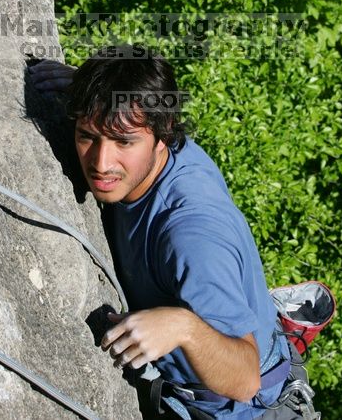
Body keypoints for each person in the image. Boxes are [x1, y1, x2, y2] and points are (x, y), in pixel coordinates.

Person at [29, 45, 317, 420]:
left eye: (124, 142)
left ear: (163, 133)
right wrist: (95, 98)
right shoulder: (149, 134)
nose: (101, 163)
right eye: (88, 135)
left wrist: (185, 328)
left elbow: (245, 381)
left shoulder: (191, 237)